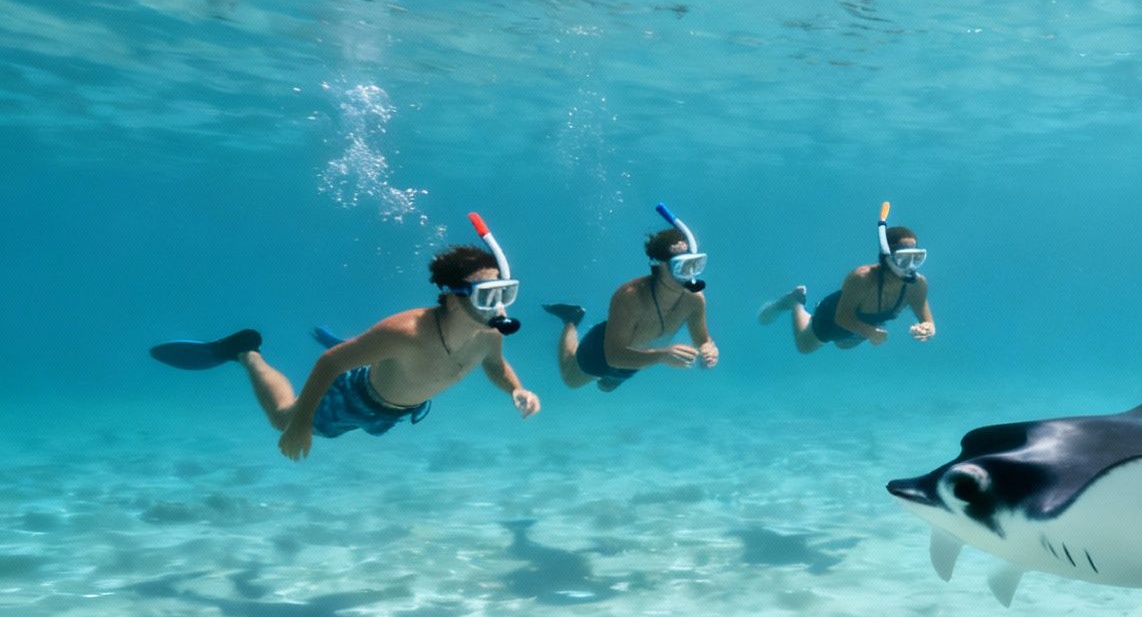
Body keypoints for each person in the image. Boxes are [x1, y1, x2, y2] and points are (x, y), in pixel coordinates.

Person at [148, 217, 540, 461]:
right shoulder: (404, 333)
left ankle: (356, 347)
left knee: (364, 352)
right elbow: (330, 363)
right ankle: (245, 353)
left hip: (399, 407)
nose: (500, 308)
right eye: (489, 296)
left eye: (506, 293)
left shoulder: (488, 333)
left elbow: (494, 365)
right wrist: (301, 426)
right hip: (359, 397)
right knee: (281, 419)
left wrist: (516, 390)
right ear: (454, 299)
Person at [543, 203, 720, 392]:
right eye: (681, 267)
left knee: (606, 387)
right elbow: (613, 356)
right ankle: (572, 318)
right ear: (659, 266)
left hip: (639, 358)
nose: (689, 274)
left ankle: (608, 378)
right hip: (605, 351)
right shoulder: (630, 297)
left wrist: (709, 349)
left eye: (694, 265)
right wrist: (661, 356)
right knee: (570, 379)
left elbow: (702, 339)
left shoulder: (694, 299)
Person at [759, 203, 934, 353]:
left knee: (844, 345)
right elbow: (842, 317)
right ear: (888, 256)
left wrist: (928, 328)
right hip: (835, 316)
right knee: (804, 346)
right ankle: (795, 302)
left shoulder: (917, 285)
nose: (911, 266)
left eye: (916, 258)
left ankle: (849, 332)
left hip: (862, 328)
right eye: (904, 259)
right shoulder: (862, 277)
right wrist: (869, 332)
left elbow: (926, 319)